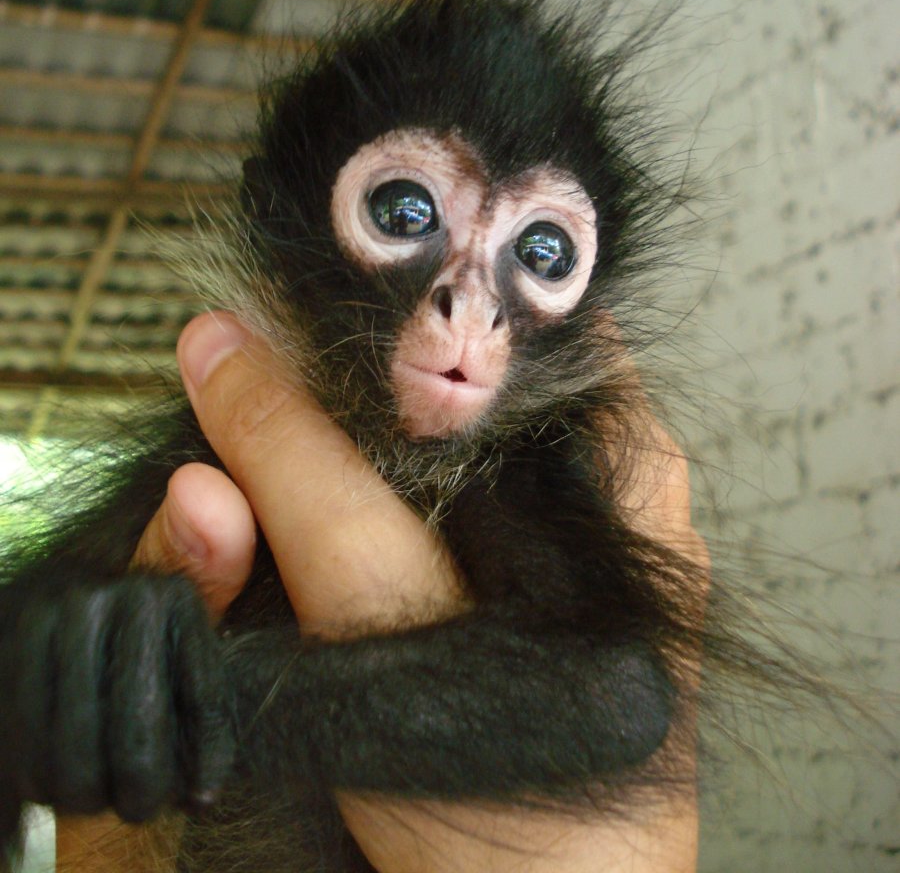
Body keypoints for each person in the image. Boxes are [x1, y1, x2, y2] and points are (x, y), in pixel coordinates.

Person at [56, 311, 704, 872]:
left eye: (543, 253)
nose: (467, 311)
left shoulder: (530, 456)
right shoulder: (224, 432)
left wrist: (206, 707)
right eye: (402, 218)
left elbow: (612, 697)